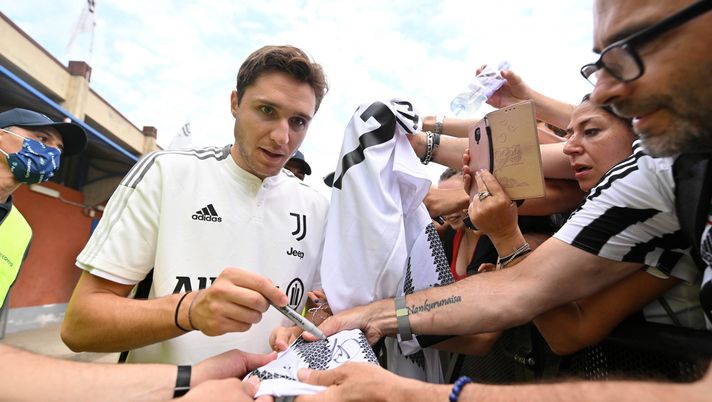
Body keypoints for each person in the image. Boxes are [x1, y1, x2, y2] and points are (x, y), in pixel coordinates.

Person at [296, 0, 712, 399]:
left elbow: (555, 322)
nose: (604, 90)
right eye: (599, 65)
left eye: (629, 50)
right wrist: (370, 316)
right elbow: (517, 287)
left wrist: (414, 394)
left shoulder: (656, 162)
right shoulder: (659, 172)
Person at [61, 45, 331, 365]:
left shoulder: (317, 208)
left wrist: (310, 327)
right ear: (235, 103)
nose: (281, 137)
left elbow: (320, 307)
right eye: (267, 110)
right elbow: (79, 327)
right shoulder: (167, 173)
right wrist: (189, 311)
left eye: (298, 121)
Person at [0, 108, 268, 400]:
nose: (51, 153)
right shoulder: (163, 173)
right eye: (41, 138)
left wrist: (190, 379)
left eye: (58, 149)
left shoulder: (20, 229)